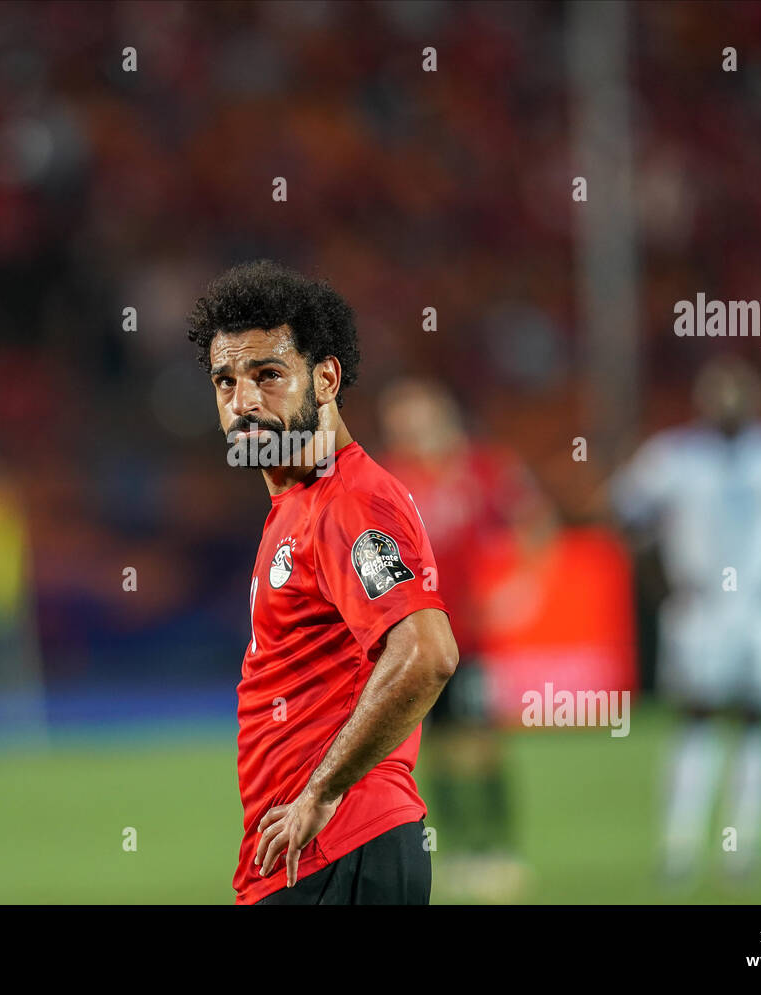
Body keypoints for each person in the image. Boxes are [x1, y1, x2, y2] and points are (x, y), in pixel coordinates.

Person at [187, 260, 460, 905]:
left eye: (268, 376)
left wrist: (322, 790)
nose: (243, 402)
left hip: (340, 850)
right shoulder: (299, 502)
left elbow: (428, 652)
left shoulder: (349, 502)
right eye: (225, 382)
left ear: (327, 378)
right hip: (316, 853)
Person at [610, 355, 761, 885]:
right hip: (701, 607)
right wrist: (656, 581)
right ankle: (681, 848)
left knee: (759, 719)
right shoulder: (674, 456)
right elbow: (626, 513)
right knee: (697, 717)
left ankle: (744, 849)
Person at [377, 377, 552, 901]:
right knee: (435, 750)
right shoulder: (388, 477)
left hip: (467, 638)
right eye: (399, 419)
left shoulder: (484, 469)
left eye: (415, 414)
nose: (408, 427)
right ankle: (458, 853)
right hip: (410, 641)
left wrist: (521, 589)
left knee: (481, 746)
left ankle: (500, 849)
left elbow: (536, 524)